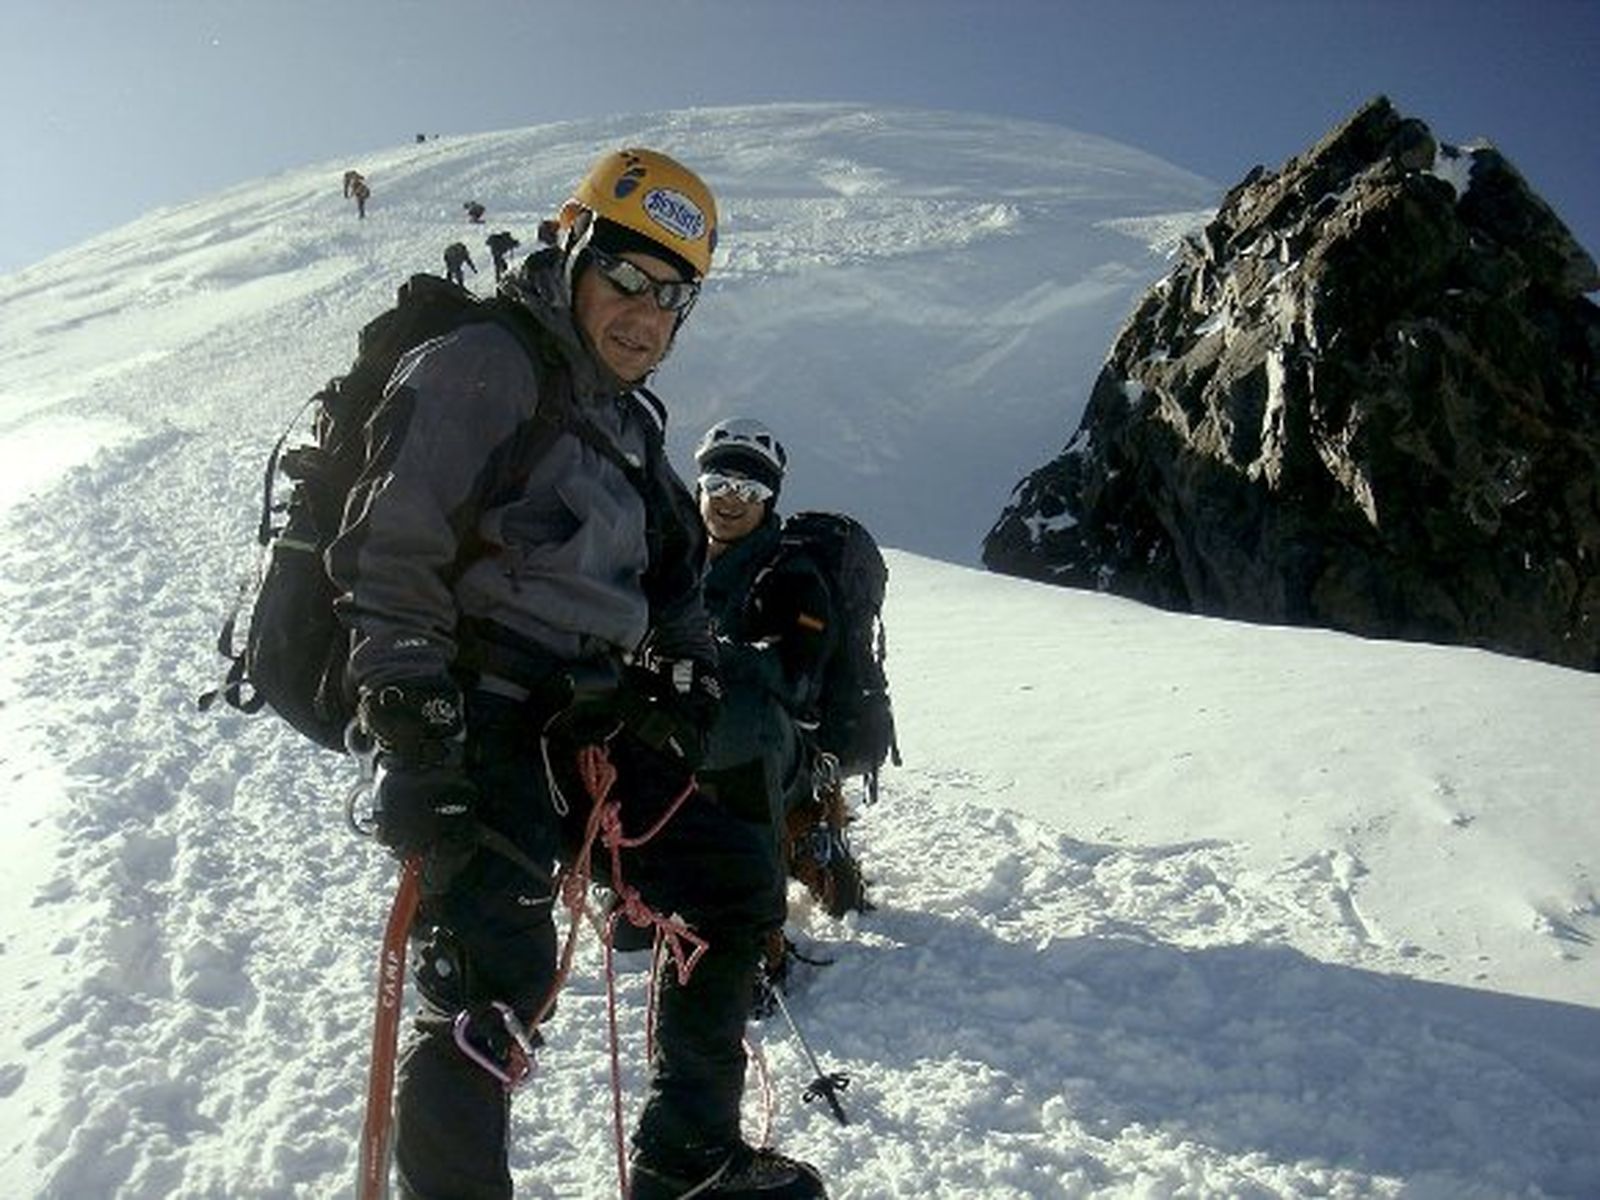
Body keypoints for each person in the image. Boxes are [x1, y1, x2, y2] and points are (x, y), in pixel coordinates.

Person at [328, 147, 825, 1199]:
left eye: (673, 295)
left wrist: (684, 669)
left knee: (733, 884)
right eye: (629, 278)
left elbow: (679, 579)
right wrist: (411, 715)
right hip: (478, 707)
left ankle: (689, 1156)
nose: (648, 313)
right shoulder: (485, 361)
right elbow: (393, 540)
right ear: (571, 246)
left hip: (592, 720)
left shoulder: (630, 424)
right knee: (487, 982)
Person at [689, 421, 841, 982]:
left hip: (774, 752)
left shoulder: (791, 576)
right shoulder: (669, 557)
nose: (732, 500)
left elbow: (800, 679)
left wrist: (711, 655)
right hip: (684, 734)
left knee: (740, 720)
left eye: (750, 491)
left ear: (769, 500)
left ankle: (756, 929)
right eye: (720, 481)